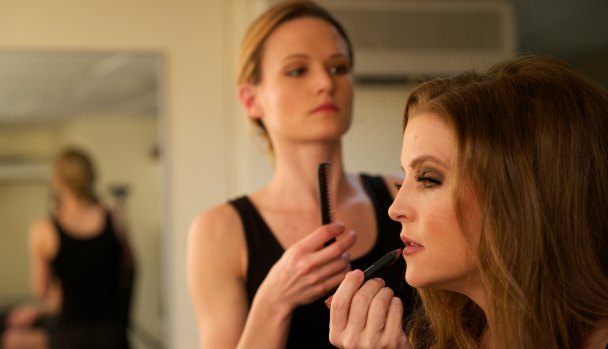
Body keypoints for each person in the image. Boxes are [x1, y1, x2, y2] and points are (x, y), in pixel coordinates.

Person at [327, 55, 608, 349]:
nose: (395, 209)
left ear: (524, 195)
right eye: (402, 181)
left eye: (429, 179)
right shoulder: (449, 338)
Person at [186, 1, 415, 348]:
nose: (325, 82)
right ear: (251, 100)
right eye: (297, 71)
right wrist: (273, 301)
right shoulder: (219, 231)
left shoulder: (403, 195)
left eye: (338, 68)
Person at [28, 147, 135, 349]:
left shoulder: (44, 229)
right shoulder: (116, 219)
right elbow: (130, 269)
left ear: (57, 180)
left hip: (69, 334)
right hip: (110, 332)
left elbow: (41, 290)